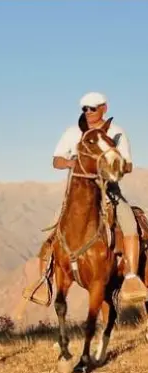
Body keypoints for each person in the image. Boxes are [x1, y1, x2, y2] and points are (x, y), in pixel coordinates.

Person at [24, 91, 146, 304]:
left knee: (129, 223)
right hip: (77, 195)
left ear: (104, 108)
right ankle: (44, 281)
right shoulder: (72, 132)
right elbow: (56, 160)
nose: (88, 112)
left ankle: (132, 277)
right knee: (54, 229)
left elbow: (127, 164)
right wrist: (72, 163)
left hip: (109, 192)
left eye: (93, 108)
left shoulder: (116, 132)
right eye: (85, 109)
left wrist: (113, 166)